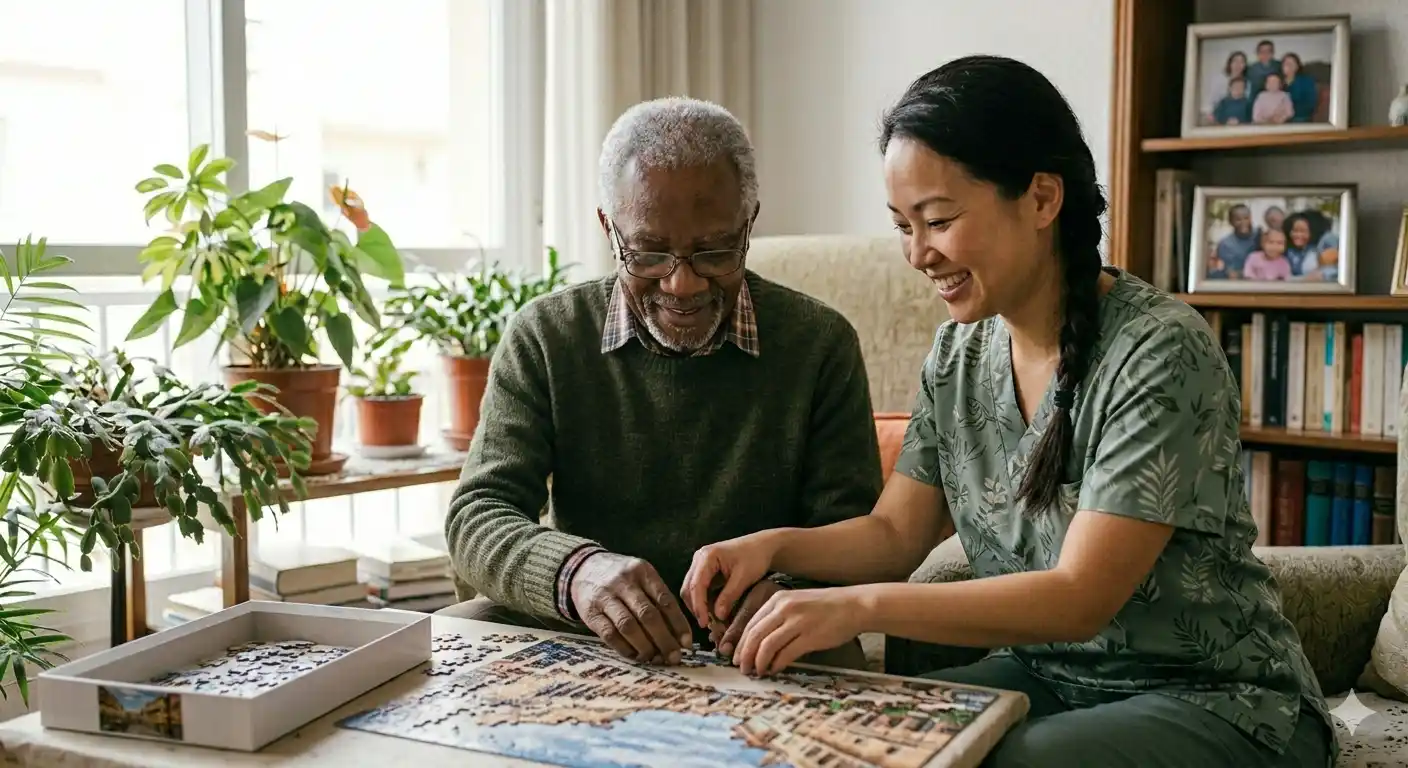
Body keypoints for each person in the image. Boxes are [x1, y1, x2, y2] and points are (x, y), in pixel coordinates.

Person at [680, 56, 1335, 767]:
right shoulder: (959, 354)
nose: (917, 254)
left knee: (1014, 761)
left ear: (1042, 199)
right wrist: (770, 546)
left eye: (937, 220)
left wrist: (858, 607)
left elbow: (1079, 597)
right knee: (861, 727)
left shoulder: (1161, 349)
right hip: (1052, 680)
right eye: (903, 225)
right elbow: (895, 534)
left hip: (1219, 702)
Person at [439, 96, 880, 671]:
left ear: (749, 224)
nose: (682, 284)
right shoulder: (545, 336)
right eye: (647, 252)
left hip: (761, 638)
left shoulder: (820, 343)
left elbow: (853, 530)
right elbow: (478, 513)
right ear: (608, 226)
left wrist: (787, 584)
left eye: (713, 251)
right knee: (448, 640)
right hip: (587, 628)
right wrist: (576, 574)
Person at [1214, 203, 1258, 278]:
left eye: (1246, 218)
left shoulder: (1260, 236)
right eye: (1238, 219)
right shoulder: (1225, 244)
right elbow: (1229, 272)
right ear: (1231, 222)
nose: (1243, 222)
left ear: (1251, 218)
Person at [1280, 53, 1319, 122]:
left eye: (1292, 64)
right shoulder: (1276, 82)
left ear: (1297, 66)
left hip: (1300, 118)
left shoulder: (1307, 81)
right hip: (1279, 119)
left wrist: (1288, 115)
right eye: (1286, 64)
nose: (1289, 66)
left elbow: (1310, 105)